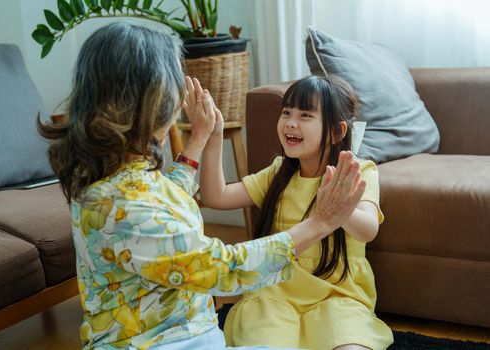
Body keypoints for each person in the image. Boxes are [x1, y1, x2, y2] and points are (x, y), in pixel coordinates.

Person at [38, 22, 365, 350]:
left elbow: (162, 205)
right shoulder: (130, 206)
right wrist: (320, 222)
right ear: (153, 99)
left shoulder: (114, 180)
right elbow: (227, 270)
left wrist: (198, 139)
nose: (180, 96)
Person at [200, 75, 394, 350]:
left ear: (337, 132)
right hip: (274, 295)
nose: (291, 122)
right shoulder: (278, 173)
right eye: (286, 113)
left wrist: (339, 209)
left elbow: (368, 230)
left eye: (305, 115)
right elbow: (214, 195)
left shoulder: (359, 172)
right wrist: (213, 136)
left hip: (338, 296)